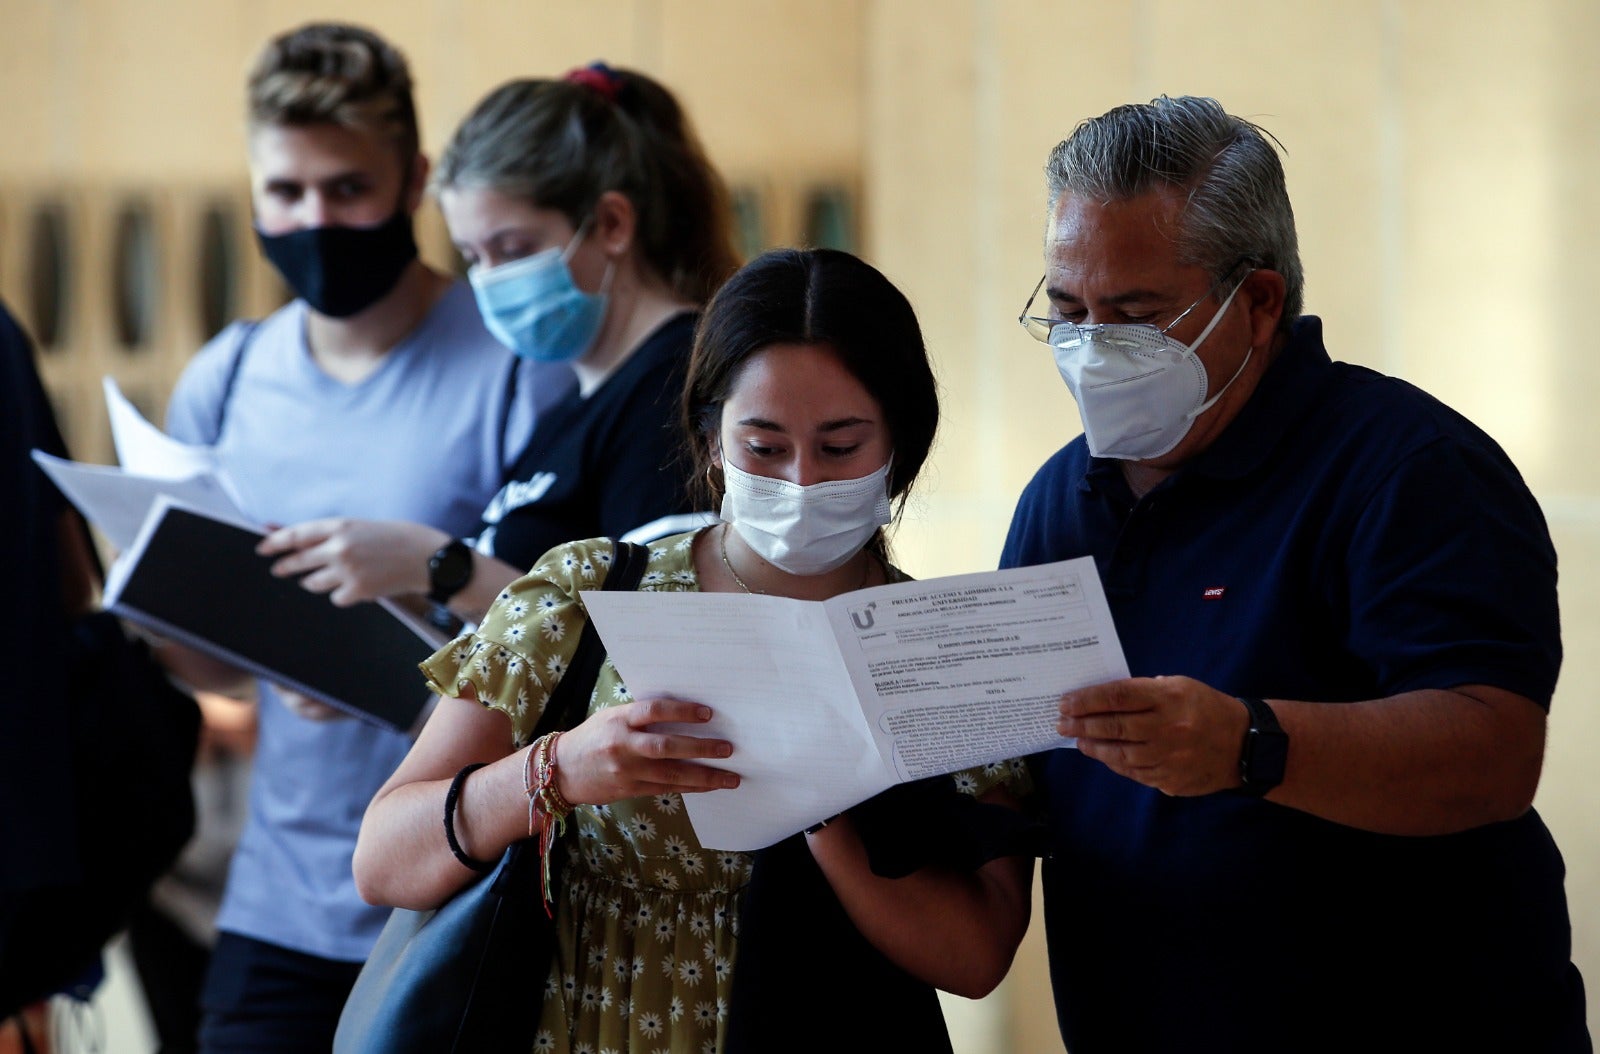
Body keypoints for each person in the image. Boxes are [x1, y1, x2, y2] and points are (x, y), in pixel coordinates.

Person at [1002, 95, 1590, 1053]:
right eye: (1068, 313)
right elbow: (1023, 764)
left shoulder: (1409, 469)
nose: (1091, 348)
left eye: (1137, 314)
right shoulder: (1060, 501)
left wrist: (1250, 745)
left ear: (1259, 302)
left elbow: (1494, 752)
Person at [352, 248, 1035, 1053]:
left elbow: (977, 953)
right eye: (765, 447)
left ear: (899, 447)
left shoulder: (947, 650)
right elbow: (384, 859)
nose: (803, 481)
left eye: (841, 446)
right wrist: (559, 771)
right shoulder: (589, 596)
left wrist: (823, 810)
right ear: (712, 442)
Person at [159, 23, 566, 1052]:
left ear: (417, 179)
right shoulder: (230, 376)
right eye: (286, 193)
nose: (315, 219)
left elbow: (576, 629)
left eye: (348, 189)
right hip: (276, 905)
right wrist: (234, 635)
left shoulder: (516, 366)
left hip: (460, 888)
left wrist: (410, 601)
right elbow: (197, 658)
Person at [257, 62, 739, 623]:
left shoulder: (672, 385)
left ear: (610, 224)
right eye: (472, 256)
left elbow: (660, 638)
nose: (489, 279)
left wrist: (439, 565)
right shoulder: (574, 403)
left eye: (512, 249)